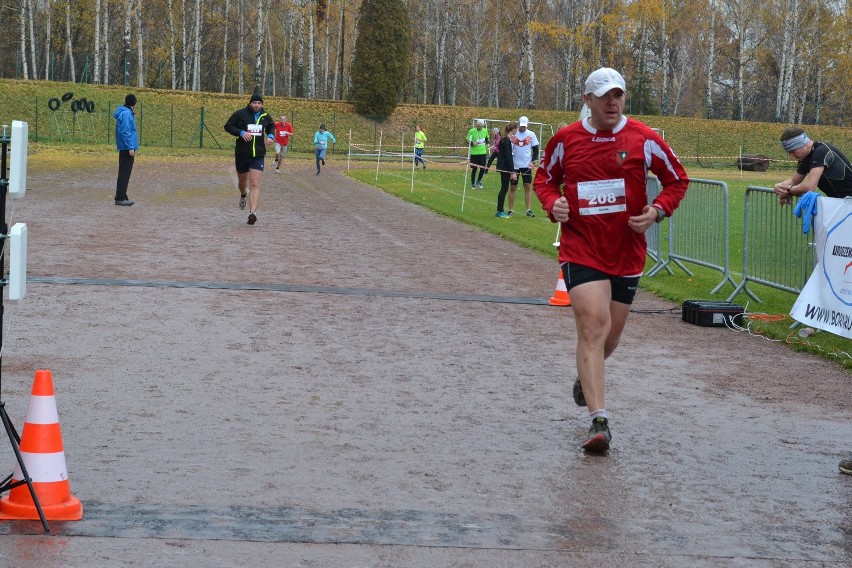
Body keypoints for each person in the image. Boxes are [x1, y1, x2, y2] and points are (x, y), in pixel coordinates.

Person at [533, 67, 689, 453]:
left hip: (627, 252)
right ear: (587, 100)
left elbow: (677, 180)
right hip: (581, 248)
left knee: (610, 337)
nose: (612, 102)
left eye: (617, 95)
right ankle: (598, 420)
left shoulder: (644, 138)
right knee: (593, 325)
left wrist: (656, 212)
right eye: (603, 96)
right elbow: (543, 178)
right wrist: (553, 204)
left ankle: (585, 377)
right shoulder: (566, 140)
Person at [224, 92, 275, 225]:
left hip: (257, 154)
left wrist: (270, 136)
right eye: (254, 103)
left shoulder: (265, 116)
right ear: (250, 103)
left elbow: (271, 126)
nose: (257, 105)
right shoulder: (240, 114)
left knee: (254, 184)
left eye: (259, 103)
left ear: (262, 104)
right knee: (242, 183)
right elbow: (228, 126)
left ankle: (252, 213)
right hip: (242, 153)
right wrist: (241, 132)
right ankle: (242, 195)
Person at [773, 127, 852, 204]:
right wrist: (779, 187)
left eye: (793, 151)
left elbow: (810, 187)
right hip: (843, 202)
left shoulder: (821, 151)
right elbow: (794, 181)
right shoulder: (805, 158)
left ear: (802, 144)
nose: (791, 155)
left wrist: (789, 190)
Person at [508, 116, 539, 217]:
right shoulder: (513, 134)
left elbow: (536, 150)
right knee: (513, 187)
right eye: (521, 126)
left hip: (526, 165)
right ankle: (510, 209)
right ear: (518, 124)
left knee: (527, 186)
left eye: (524, 126)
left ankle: (528, 210)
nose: (523, 128)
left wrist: (532, 161)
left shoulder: (531, 134)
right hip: (515, 166)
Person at [113, 93, 139, 206]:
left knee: (124, 172)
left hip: (125, 147)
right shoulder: (127, 114)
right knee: (124, 172)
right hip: (126, 147)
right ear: (134, 103)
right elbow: (126, 132)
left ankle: (122, 195)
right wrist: (130, 147)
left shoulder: (124, 112)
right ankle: (120, 197)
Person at [494, 121, 517, 218]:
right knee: (504, 189)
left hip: (503, 167)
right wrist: (512, 172)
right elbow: (508, 157)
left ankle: (499, 210)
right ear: (514, 129)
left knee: (504, 188)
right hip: (504, 168)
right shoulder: (506, 141)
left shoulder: (505, 139)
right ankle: (500, 211)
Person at [466, 119, 490, 189]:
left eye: (481, 126)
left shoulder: (485, 131)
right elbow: (467, 139)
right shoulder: (472, 131)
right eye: (479, 126)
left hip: (482, 153)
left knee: (482, 169)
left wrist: (488, 143)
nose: (480, 127)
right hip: (474, 153)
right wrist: (472, 143)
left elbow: (486, 139)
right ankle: (473, 183)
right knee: (474, 169)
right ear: (476, 125)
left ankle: (479, 181)